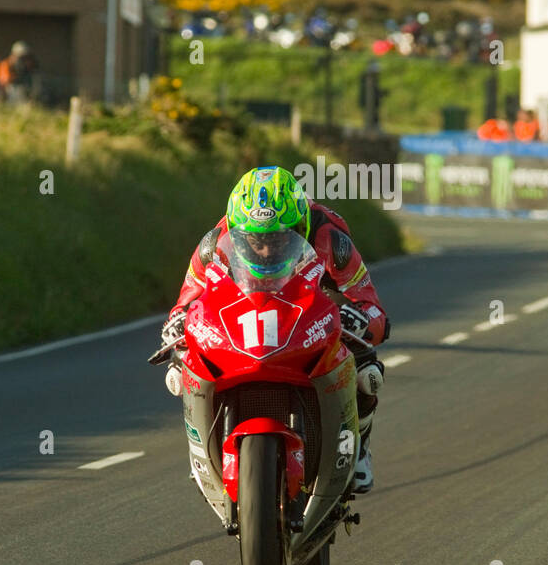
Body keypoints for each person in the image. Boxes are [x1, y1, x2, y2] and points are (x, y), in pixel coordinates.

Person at [161, 167, 391, 494]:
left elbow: (372, 306)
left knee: (368, 371)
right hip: (247, 305)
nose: (267, 250)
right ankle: (203, 455)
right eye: (256, 239)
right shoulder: (214, 242)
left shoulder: (332, 241)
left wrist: (360, 318)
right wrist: (179, 323)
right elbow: (185, 302)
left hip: (313, 301)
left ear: (301, 227)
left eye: (280, 238)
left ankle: (359, 446)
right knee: (182, 363)